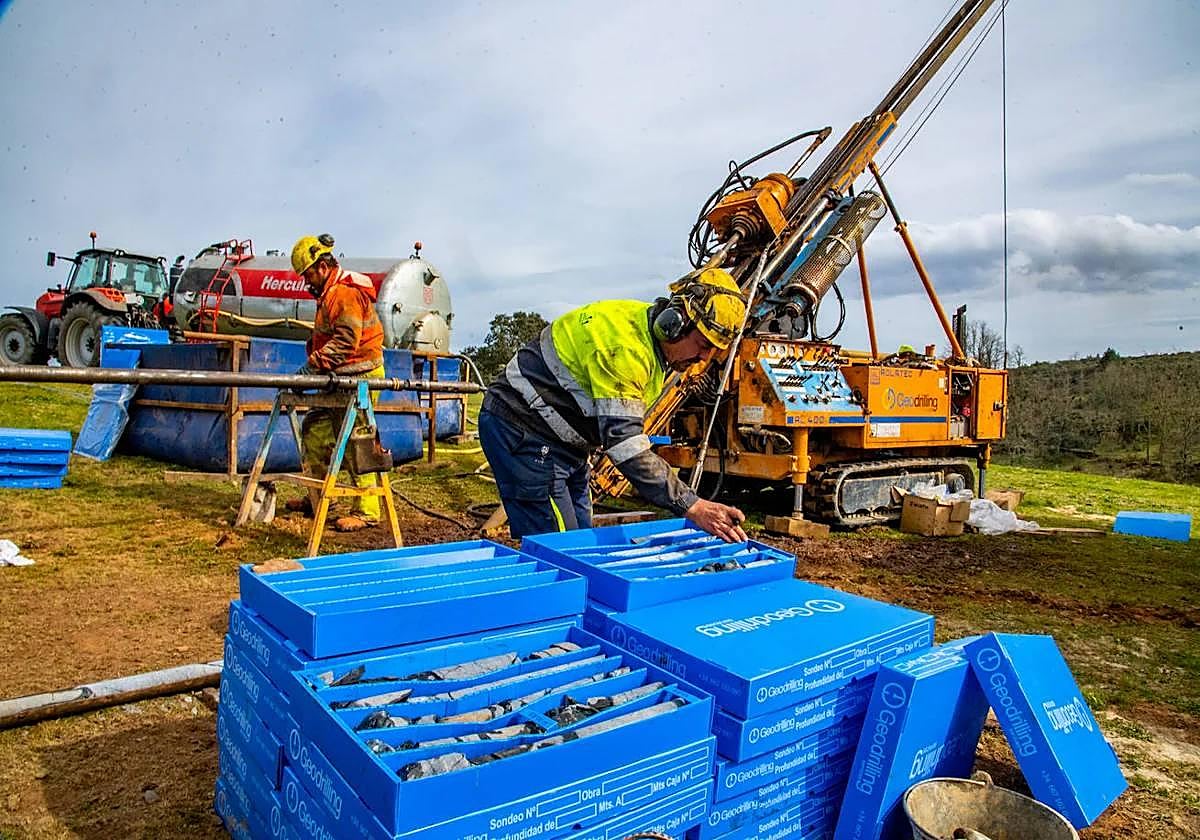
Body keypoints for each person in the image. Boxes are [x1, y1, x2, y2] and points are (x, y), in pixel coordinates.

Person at [479, 268, 749, 541]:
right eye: (702, 345)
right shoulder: (625, 349)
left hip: (564, 443)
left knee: (580, 538)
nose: (703, 358)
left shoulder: (647, 340)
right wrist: (692, 505)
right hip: (522, 429)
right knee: (559, 548)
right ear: (674, 324)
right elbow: (625, 445)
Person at [286, 233, 386, 532]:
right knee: (314, 430)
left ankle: (367, 510)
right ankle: (317, 496)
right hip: (340, 376)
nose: (306, 282)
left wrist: (311, 368)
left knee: (358, 439)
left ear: (322, 267)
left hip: (361, 375)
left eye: (308, 275)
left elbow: (345, 341)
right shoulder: (329, 294)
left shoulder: (343, 293)